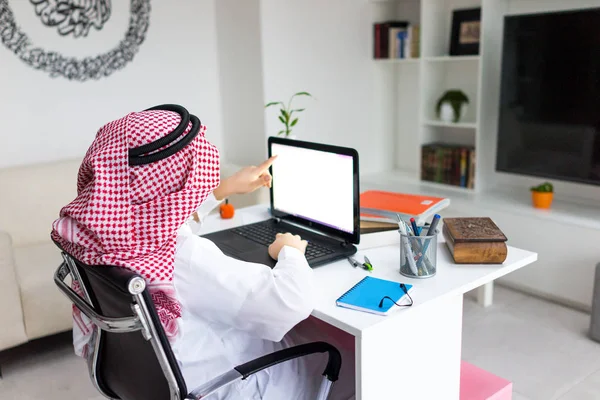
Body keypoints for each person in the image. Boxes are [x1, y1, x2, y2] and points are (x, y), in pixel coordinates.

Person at [51, 105, 355, 399]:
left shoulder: (99, 238)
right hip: (231, 385)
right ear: (174, 181)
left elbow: (156, 223)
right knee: (357, 362)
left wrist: (220, 192)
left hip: (163, 378)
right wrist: (291, 252)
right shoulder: (183, 258)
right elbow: (289, 303)